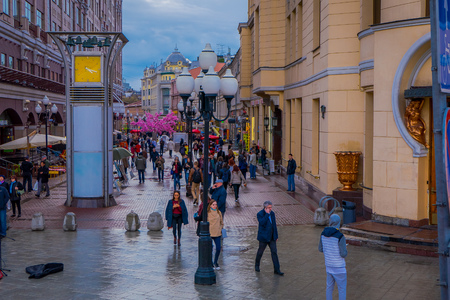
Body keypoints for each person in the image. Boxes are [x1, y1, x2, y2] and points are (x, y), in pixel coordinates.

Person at [319, 214, 348, 300]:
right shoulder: (340, 236)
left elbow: (320, 249)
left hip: (329, 266)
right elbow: (343, 254)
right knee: (342, 289)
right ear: (338, 223)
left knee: (329, 288)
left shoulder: (323, 234)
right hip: (339, 267)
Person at [255, 200, 284, 276]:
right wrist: (267, 214)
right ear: (265, 207)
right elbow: (262, 223)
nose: (270, 209)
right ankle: (257, 265)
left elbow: (274, 225)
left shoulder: (272, 213)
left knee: (274, 252)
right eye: (269, 207)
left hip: (272, 237)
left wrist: (276, 235)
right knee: (260, 252)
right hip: (263, 237)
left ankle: (277, 269)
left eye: (271, 207)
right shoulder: (260, 214)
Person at [208, 200, 224, 270]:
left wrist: (220, 228)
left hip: (217, 233)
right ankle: (211, 262)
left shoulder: (219, 212)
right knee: (210, 248)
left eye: (216, 204)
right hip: (210, 233)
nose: (215, 206)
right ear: (210, 205)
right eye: (213, 204)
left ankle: (215, 262)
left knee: (218, 248)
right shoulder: (208, 213)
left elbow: (221, 222)